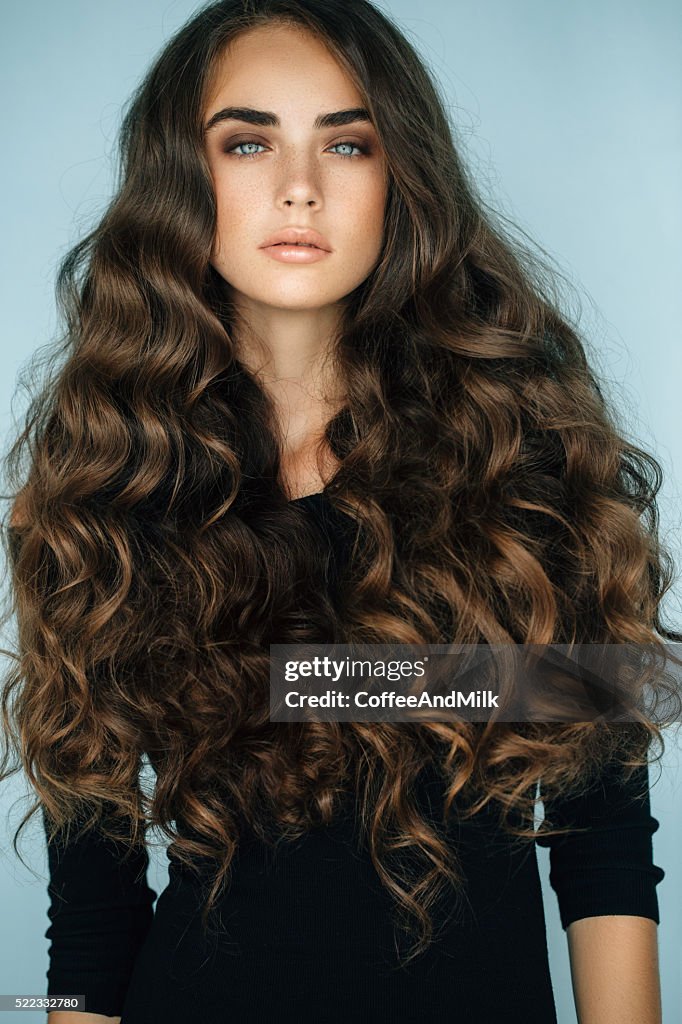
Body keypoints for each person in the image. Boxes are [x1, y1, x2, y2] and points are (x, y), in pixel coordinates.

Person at [1, 1, 679, 1022]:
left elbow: (605, 842)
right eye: (246, 141)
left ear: (399, 174)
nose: (299, 187)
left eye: (347, 143)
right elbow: (89, 915)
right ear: (181, 181)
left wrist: (294, 676)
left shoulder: (519, 446)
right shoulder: (109, 481)